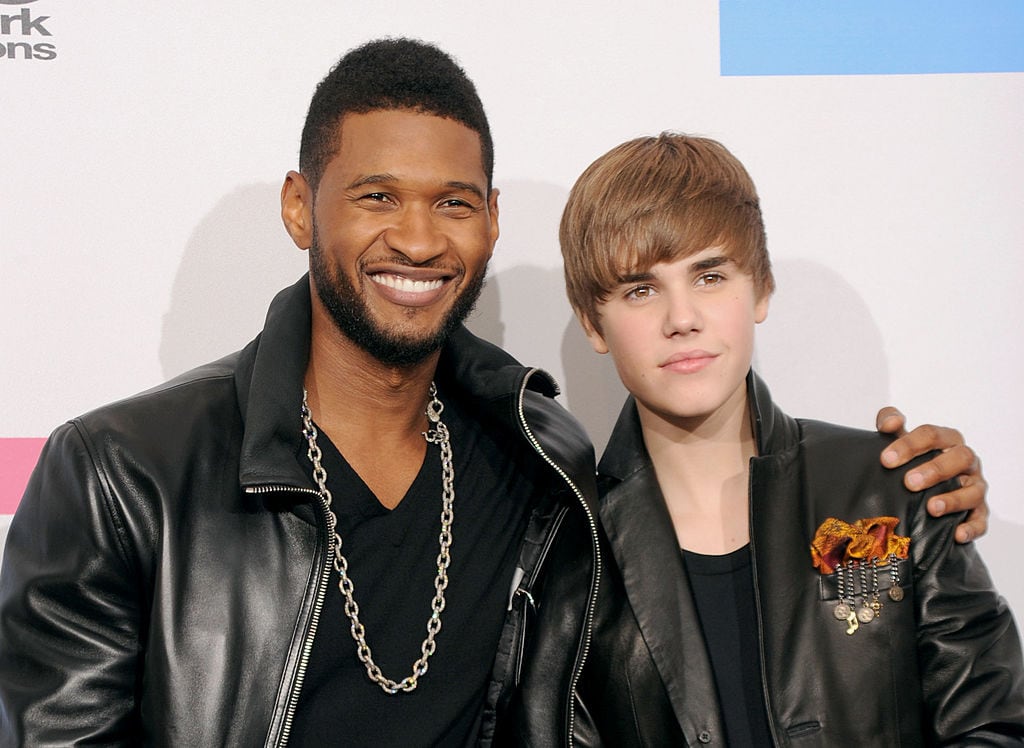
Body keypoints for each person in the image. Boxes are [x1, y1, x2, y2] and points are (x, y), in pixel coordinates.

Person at [0, 40, 991, 746]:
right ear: (302, 208)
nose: (420, 239)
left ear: (490, 224)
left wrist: (913, 486)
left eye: (454, 204)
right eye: (376, 195)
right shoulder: (122, 473)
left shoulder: (534, 477)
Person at [497, 133, 1024, 745]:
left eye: (710, 276)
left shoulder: (892, 487)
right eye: (641, 289)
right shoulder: (569, 549)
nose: (682, 318)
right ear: (593, 322)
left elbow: (995, 727)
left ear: (762, 288)